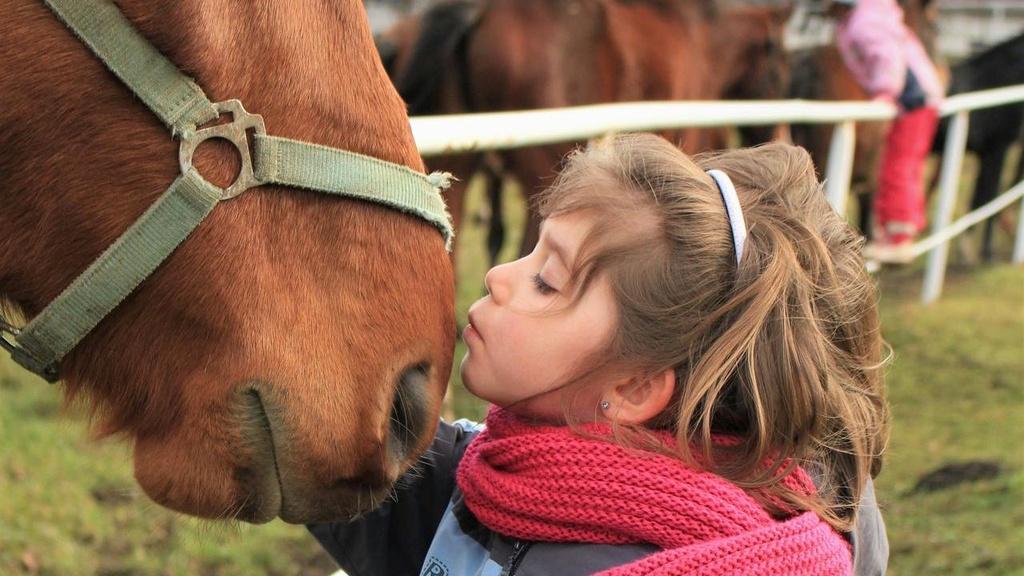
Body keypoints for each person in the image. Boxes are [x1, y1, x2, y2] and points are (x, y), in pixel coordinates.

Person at [310, 134, 892, 575]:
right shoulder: (495, 477)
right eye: (531, 252)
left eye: (547, 281)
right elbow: (329, 441)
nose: (497, 277)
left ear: (634, 389)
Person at [826, 0, 946, 263]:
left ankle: (898, 239)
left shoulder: (863, 22)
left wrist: (884, 91)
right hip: (921, 100)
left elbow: (887, 57)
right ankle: (904, 226)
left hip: (911, 100)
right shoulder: (871, 15)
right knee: (909, 165)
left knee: (897, 166)